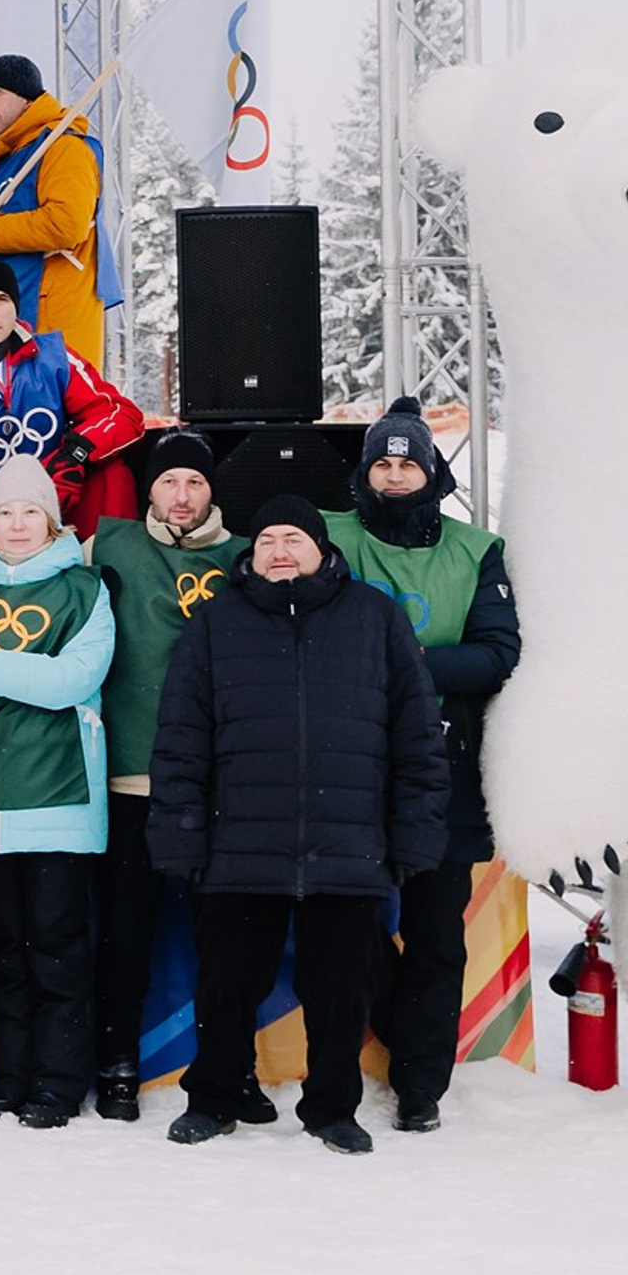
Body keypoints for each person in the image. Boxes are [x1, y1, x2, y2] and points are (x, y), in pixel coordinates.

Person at [151, 494, 451, 1154]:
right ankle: (214, 1099)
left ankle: (333, 1108)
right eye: (266, 541)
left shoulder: (376, 619)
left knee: (340, 989)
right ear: (250, 554)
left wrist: (414, 833)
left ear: (323, 549)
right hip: (239, 845)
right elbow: (180, 740)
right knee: (227, 984)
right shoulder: (214, 623)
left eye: (293, 538)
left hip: (347, 843)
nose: (279, 550)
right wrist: (180, 832)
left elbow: (417, 737)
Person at [327, 398, 520, 1133]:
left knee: (439, 930)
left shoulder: (475, 549)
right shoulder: (332, 535)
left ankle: (421, 1084)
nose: (396, 474)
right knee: (344, 920)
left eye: (409, 462)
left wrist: (404, 662)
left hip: (444, 769)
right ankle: (404, 1032)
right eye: (383, 462)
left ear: (430, 471)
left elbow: (497, 652)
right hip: (349, 765)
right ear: (365, 471)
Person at [0, 455, 115, 1128]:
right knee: (4, 955)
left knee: (58, 955)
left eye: (29, 512)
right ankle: (11, 1079)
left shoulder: (82, 590)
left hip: (59, 802)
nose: (15, 524)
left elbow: (71, 682)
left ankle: (59, 1085)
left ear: (51, 519)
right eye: (4, 511)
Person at [86, 429, 246, 1120]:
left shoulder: (247, 556)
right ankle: (117, 1063)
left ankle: (226, 1068)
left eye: (196, 483)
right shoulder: (110, 544)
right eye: (170, 482)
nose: (182, 496)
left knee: (226, 940)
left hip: (219, 784)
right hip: (131, 775)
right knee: (127, 933)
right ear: (149, 488)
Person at [0, 255, 142, 547]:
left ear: (16, 308)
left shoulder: (52, 357)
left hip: (54, 491)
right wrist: (11, 492)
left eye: (1, 299)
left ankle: (111, 570)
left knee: (112, 473)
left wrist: (74, 456)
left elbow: (121, 414)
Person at [0, 54, 110, 371]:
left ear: (27, 99)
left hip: (55, 311)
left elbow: (66, 225)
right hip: (22, 305)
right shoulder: (10, 155)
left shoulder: (63, 146)